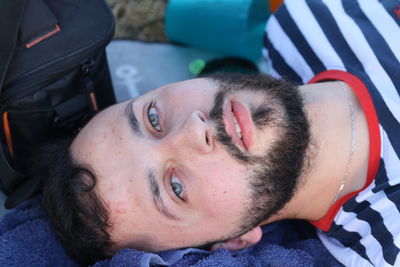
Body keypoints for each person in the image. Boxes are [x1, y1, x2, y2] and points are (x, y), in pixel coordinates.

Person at [35, 0, 400, 265]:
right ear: (235, 241)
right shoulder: (387, 244)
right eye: (174, 187)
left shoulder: (306, 19)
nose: (193, 129)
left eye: (152, 118)